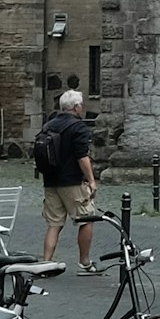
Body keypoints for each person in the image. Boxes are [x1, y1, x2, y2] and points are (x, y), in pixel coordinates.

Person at [38, 90, 101, 274]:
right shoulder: (78, 127)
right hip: (72, 181)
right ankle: (85, 263)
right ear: (76, 107)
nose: (82, 108)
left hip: (51, 181)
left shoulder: (48, 125)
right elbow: (82, 156)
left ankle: (46, 262)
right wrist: (91, 180)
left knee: (54, 224)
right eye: (81, 105)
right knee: (86, 219)